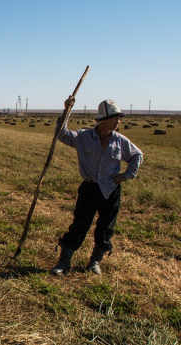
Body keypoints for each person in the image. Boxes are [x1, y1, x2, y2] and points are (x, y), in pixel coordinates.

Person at [51, 97, 143, 275]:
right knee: (79, 225)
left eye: (119, 118)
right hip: (89, 189)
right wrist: (67, 110)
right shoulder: (83, 137)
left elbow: (137, 155)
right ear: (103, 120)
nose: (118, 122)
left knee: (106, 228)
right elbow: (62, 134)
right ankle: (64, 262)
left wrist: (127, 175)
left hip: (111, 190)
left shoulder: (120, 140)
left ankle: (95, 262)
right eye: (115, 118)